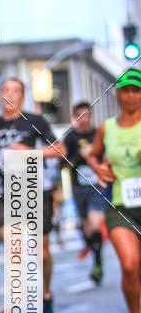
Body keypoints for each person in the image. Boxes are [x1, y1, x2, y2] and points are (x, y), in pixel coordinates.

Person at [0, 77, 65, 313]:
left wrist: (31, 153)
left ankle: (46, 292)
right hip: (8, 193)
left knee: (42, 254)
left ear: (22, 97)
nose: (9, 94)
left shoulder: (36, 121)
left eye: (15, 91)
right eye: (5, 90)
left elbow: (60, 150)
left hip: (36, 190)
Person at [87, 69, 141, 313]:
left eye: (136, 90)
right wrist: (99, 168)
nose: (131, 95)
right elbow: (92, 154)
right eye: (126, 90)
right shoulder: (108, 127)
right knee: (130, 266)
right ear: (118, 94)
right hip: (120, 206)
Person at [62, 101, 105, 283]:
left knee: (96, 224)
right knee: (87, 227)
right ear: (75, 117)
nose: (85, 119)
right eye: (81, 115)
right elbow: (62, 164)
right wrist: (80, 156)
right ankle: (92, 249)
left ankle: (97, 262)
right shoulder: (70, 137)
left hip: (97, 186)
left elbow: (106, 157)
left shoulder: (98, 134)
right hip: (79, 186)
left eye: (87, 115)